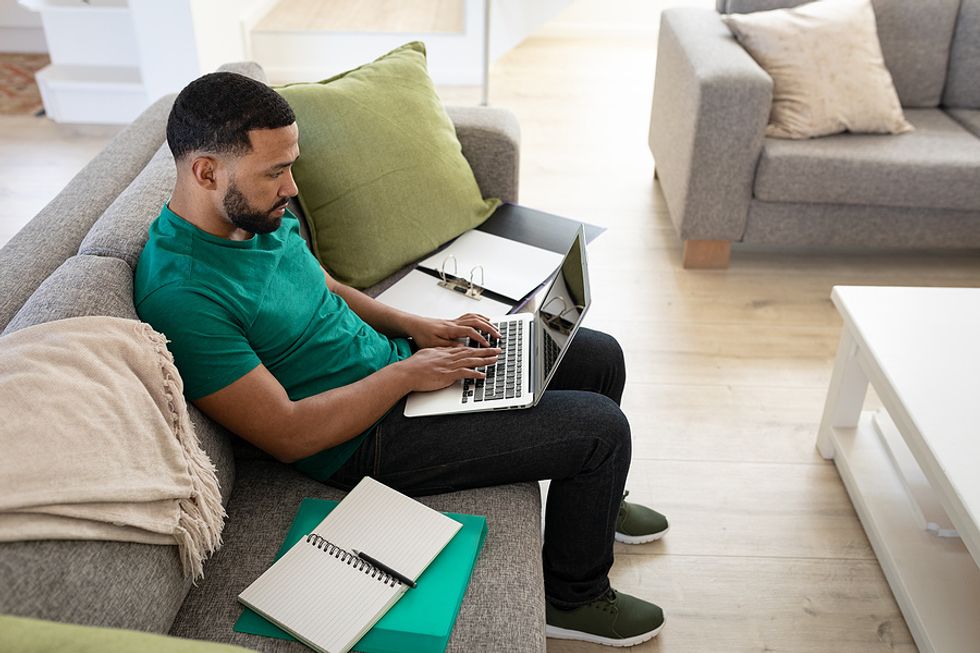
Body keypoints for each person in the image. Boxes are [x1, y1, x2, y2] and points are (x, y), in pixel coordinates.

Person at [134, 71, 669, 647]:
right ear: (207, 171)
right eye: (275, 171)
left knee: (597, 354)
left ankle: (596, 508)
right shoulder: (184, 294)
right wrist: (409, 373)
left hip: (395, 370)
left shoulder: (254, 216)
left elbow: (327, 287)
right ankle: (574, 597)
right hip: (362, 442)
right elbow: (289, 434)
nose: (292, 188)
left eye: (291, 164)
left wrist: (421, 329)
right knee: (600, 430)